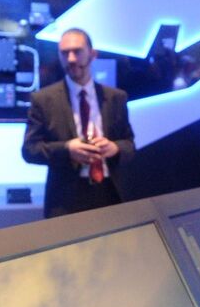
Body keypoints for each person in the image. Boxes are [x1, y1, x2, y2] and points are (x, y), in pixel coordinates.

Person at [22, 28, 135, 218]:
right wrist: (67, 149)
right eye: (65, 53)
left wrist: (114, 148)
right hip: (66, 200)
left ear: (93, 54)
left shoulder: (116, 98)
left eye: (77, 51)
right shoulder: (44, 100)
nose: (71, 59)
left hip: (110, 194)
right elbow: (29, 150)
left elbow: (129, 145)